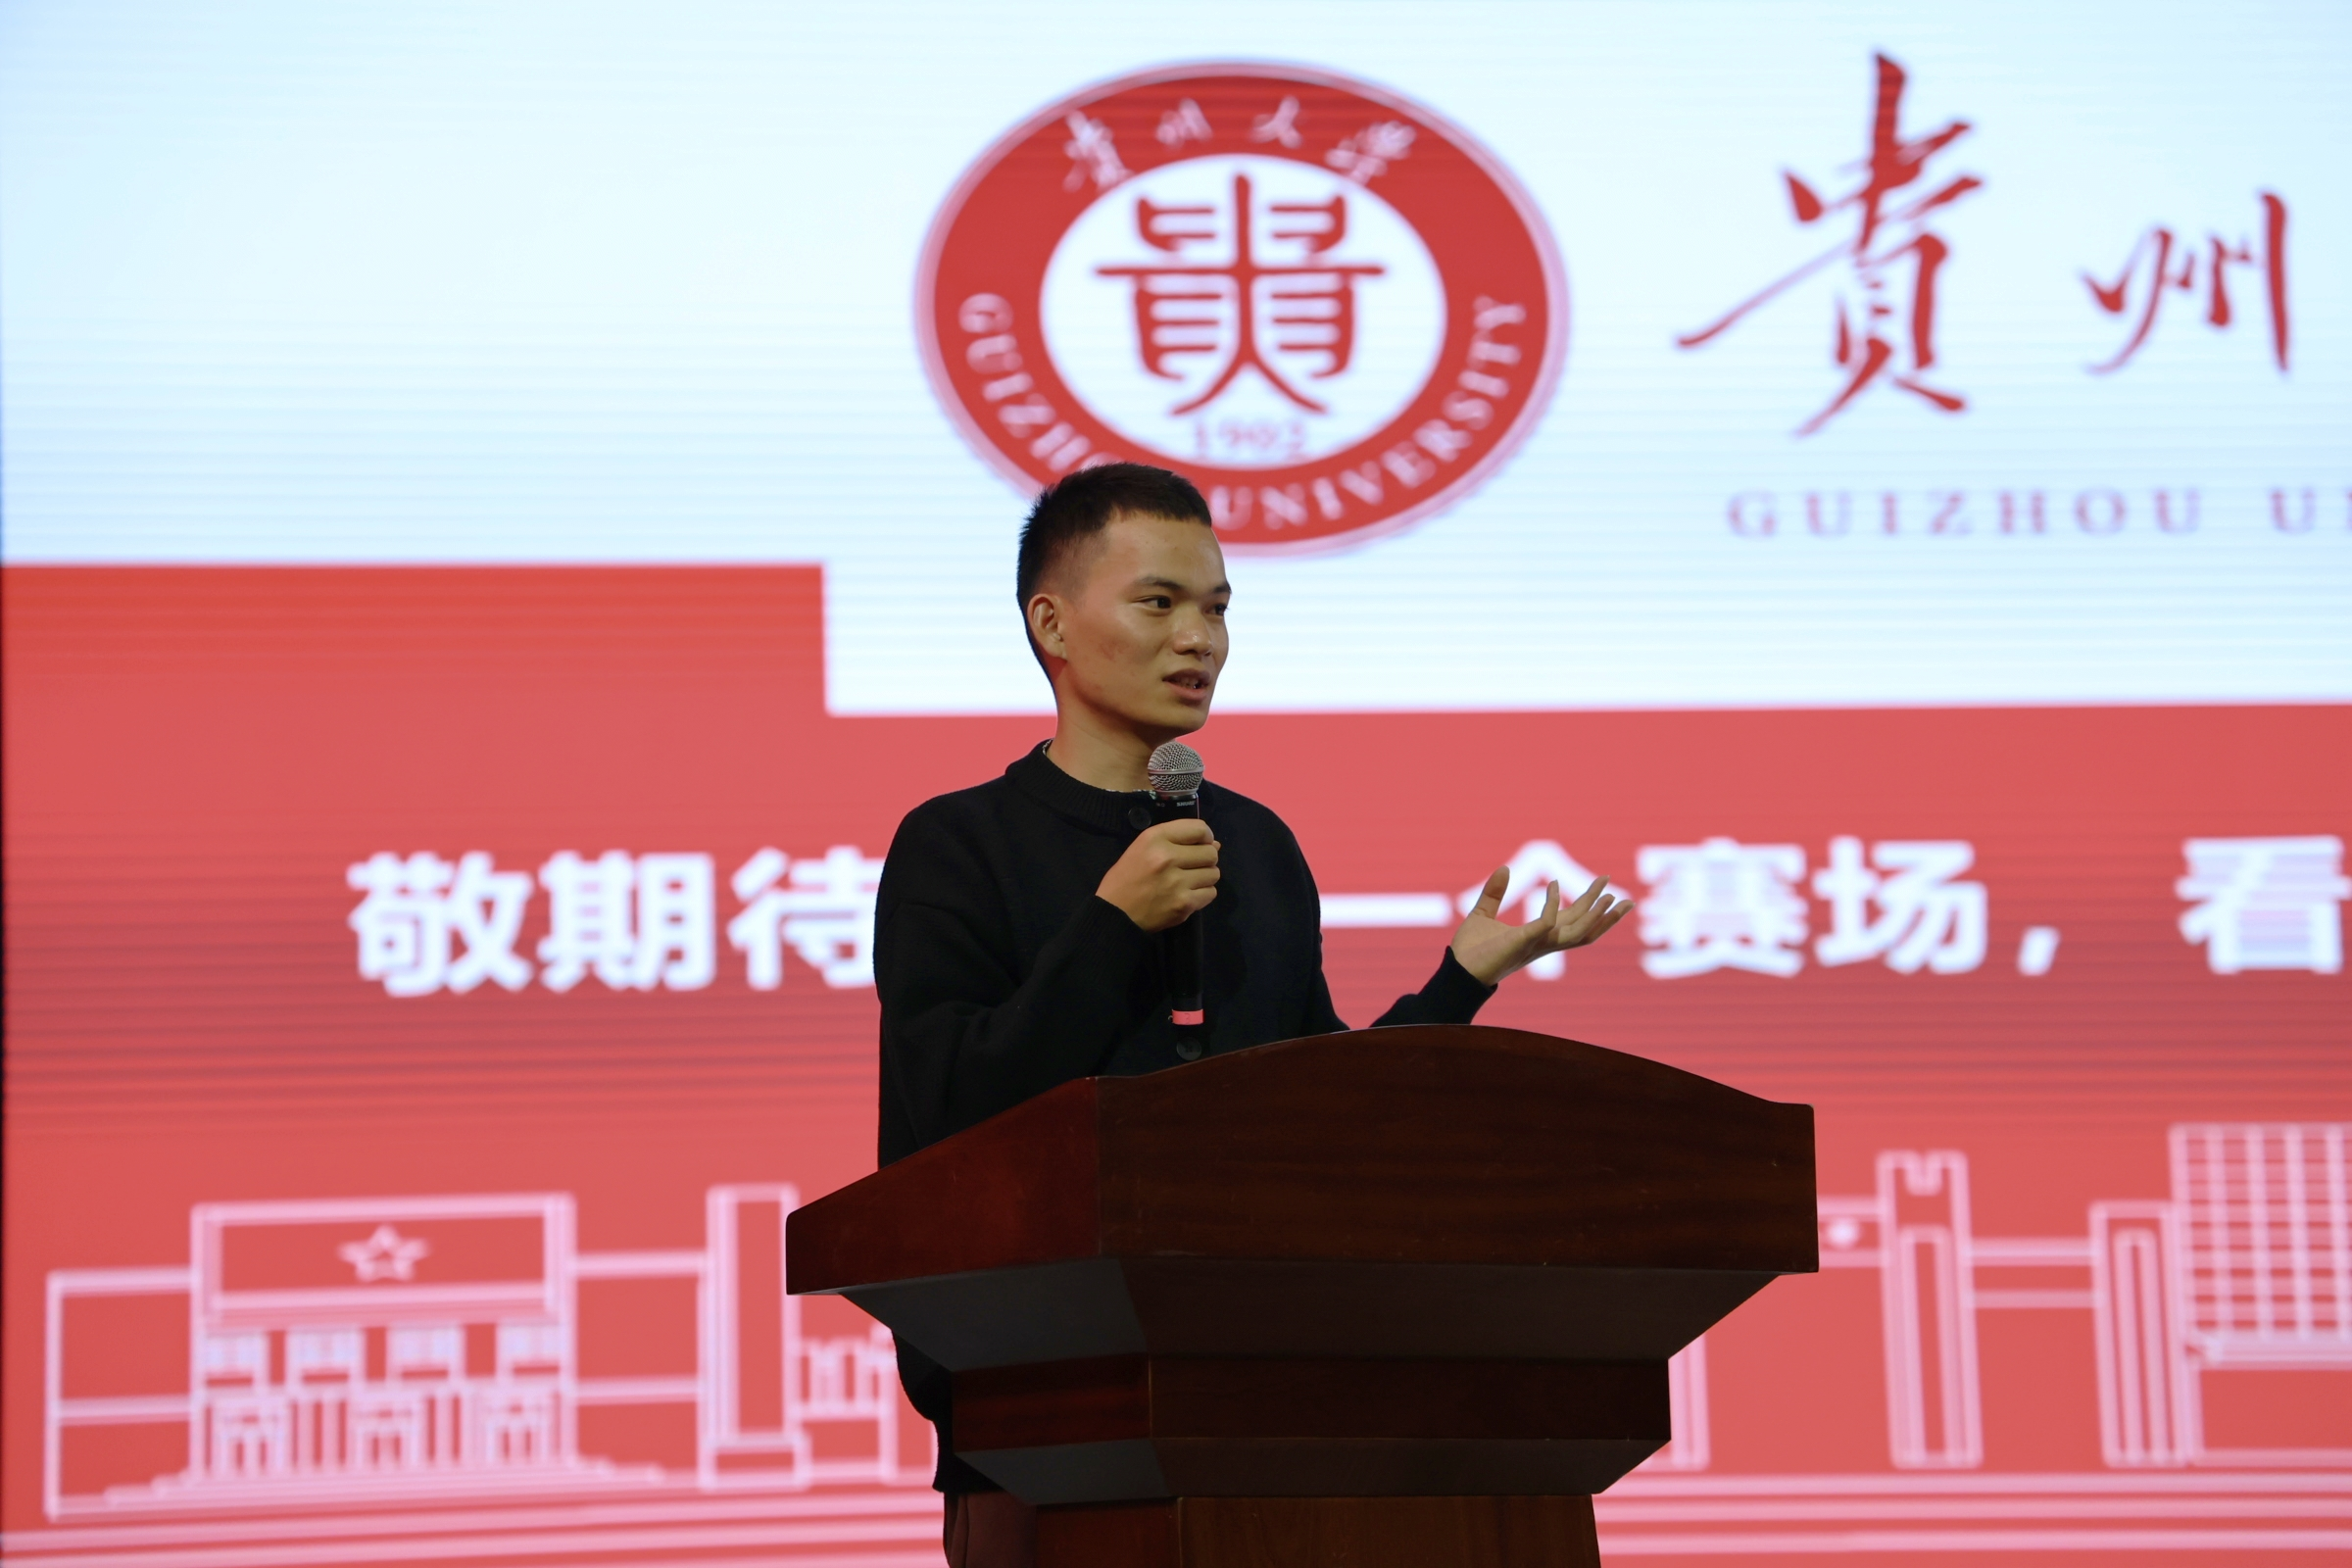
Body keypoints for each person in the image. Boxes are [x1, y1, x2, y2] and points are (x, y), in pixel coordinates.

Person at [873, 463, 1632, 1567]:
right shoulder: (957, 845)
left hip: (1288, 1409)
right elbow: (948, 1117)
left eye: (1218, 608)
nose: (1201, 640)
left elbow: (1316, 1121)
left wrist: (1458, 983)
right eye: (1159, 603)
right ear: (1053, 624)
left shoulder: (1257, 846)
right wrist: (1111, 926)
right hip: (1045, 1421)